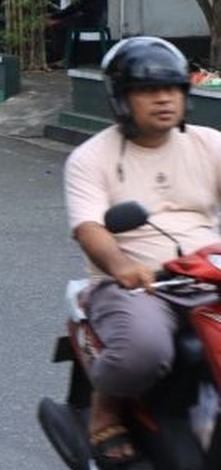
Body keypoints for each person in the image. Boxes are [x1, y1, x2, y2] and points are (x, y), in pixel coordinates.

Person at [62, 36, 221, 468]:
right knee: (144, 350)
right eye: (149, 90)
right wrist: (123, 266)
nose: (164, 99)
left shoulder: (209, 144)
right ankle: (106, 408)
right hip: (137, 285)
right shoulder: (91, 158)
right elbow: (89, 227)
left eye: (173, 89)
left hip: (208, 273)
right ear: (121, 97)